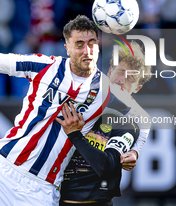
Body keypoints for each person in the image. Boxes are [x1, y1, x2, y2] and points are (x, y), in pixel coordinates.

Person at [0, 15, 145, 206]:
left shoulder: (107, 90)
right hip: (1, 171)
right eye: (79, 44)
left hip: (42, 188)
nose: (87, 50)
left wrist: (135, 151)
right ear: (67, 48)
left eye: (92, 43)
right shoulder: (44, 66)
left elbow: (143, 119)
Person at [58, 41, 152, 205]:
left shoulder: (130, 121)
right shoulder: (83, 93)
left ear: (137, 88)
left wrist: (135, 151)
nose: (122, 80)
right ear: (109, 71)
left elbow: (144, 124)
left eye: (131, 79)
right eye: (121, 72)